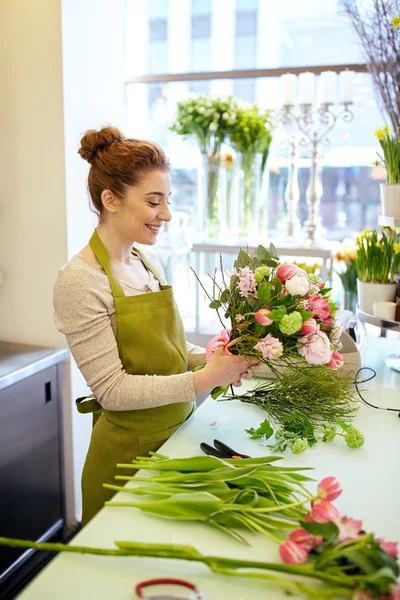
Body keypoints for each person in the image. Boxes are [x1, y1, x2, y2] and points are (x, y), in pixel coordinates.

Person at [53, 126, 256, 525]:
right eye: (153, 201)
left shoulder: (147, 262)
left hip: (178, 436)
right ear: (110, 200)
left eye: (167, 201)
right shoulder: (79, 281)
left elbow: (170, 353)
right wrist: (206, 378)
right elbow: (112, 390)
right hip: (127, 463)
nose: (165, 214)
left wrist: (218, 358)